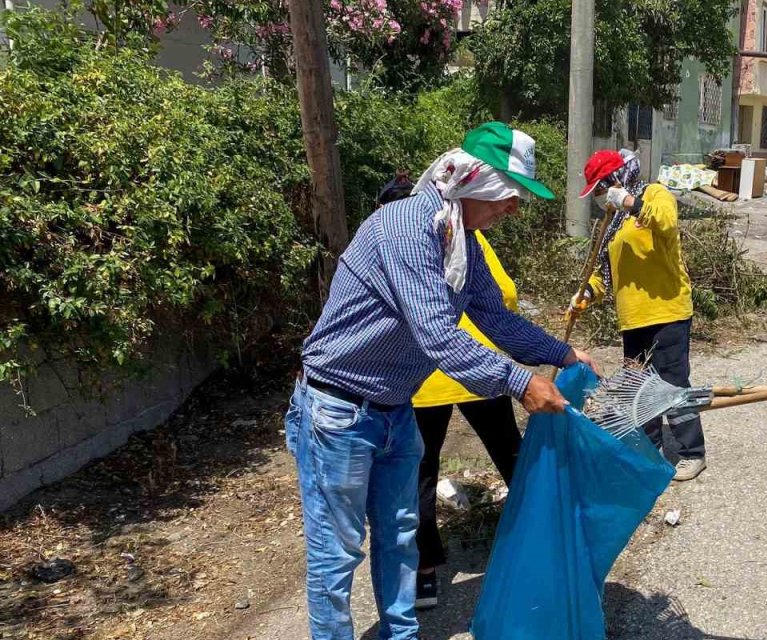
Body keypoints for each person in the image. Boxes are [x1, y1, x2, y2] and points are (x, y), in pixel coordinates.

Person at [285, 121, 595, 640]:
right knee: (336, 556)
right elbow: (438, 336)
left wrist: (561, 353)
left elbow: (495, 319)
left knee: (402, 536)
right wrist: (521, 382)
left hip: (392, 410)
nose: (512, 209)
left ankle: (401, 635)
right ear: (475, 181)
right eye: (509, 196)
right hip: (337, 411)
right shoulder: (407, 226)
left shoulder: (460, 240)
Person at [569, 149, 706, 481]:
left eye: (601, 190)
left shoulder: (653, 194)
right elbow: (604, 274)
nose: (600, 199)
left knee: (671, 383)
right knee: (640, 387)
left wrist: (629, 201)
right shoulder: (611, 223)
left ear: (615, 180)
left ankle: (691, 453)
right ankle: (650, 450)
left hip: (667, 310)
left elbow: (666, 222)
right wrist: (585, 293)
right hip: (632, 318)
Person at [410, 229, 523, 610]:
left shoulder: (394, 242)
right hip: (476, 369)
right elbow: (504, 292)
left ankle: (424, 575)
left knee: (421, 473)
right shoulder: (464, 236)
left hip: (422, 377)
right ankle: (539, 540)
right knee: (512, 456)